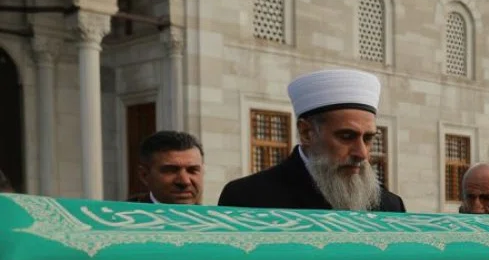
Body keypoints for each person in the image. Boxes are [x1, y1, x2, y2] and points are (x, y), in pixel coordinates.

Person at [219, 69, 406, 212]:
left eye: (368, 138)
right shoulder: (248, 200)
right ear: (307, 133)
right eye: (347, 137)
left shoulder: (389, 207)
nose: (362, 153)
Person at [129, 130, 205, 205]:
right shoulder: (124, 212)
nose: (184, 181)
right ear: (144, 175)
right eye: (171, 170)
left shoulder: (211, 212)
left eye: (192, 170)